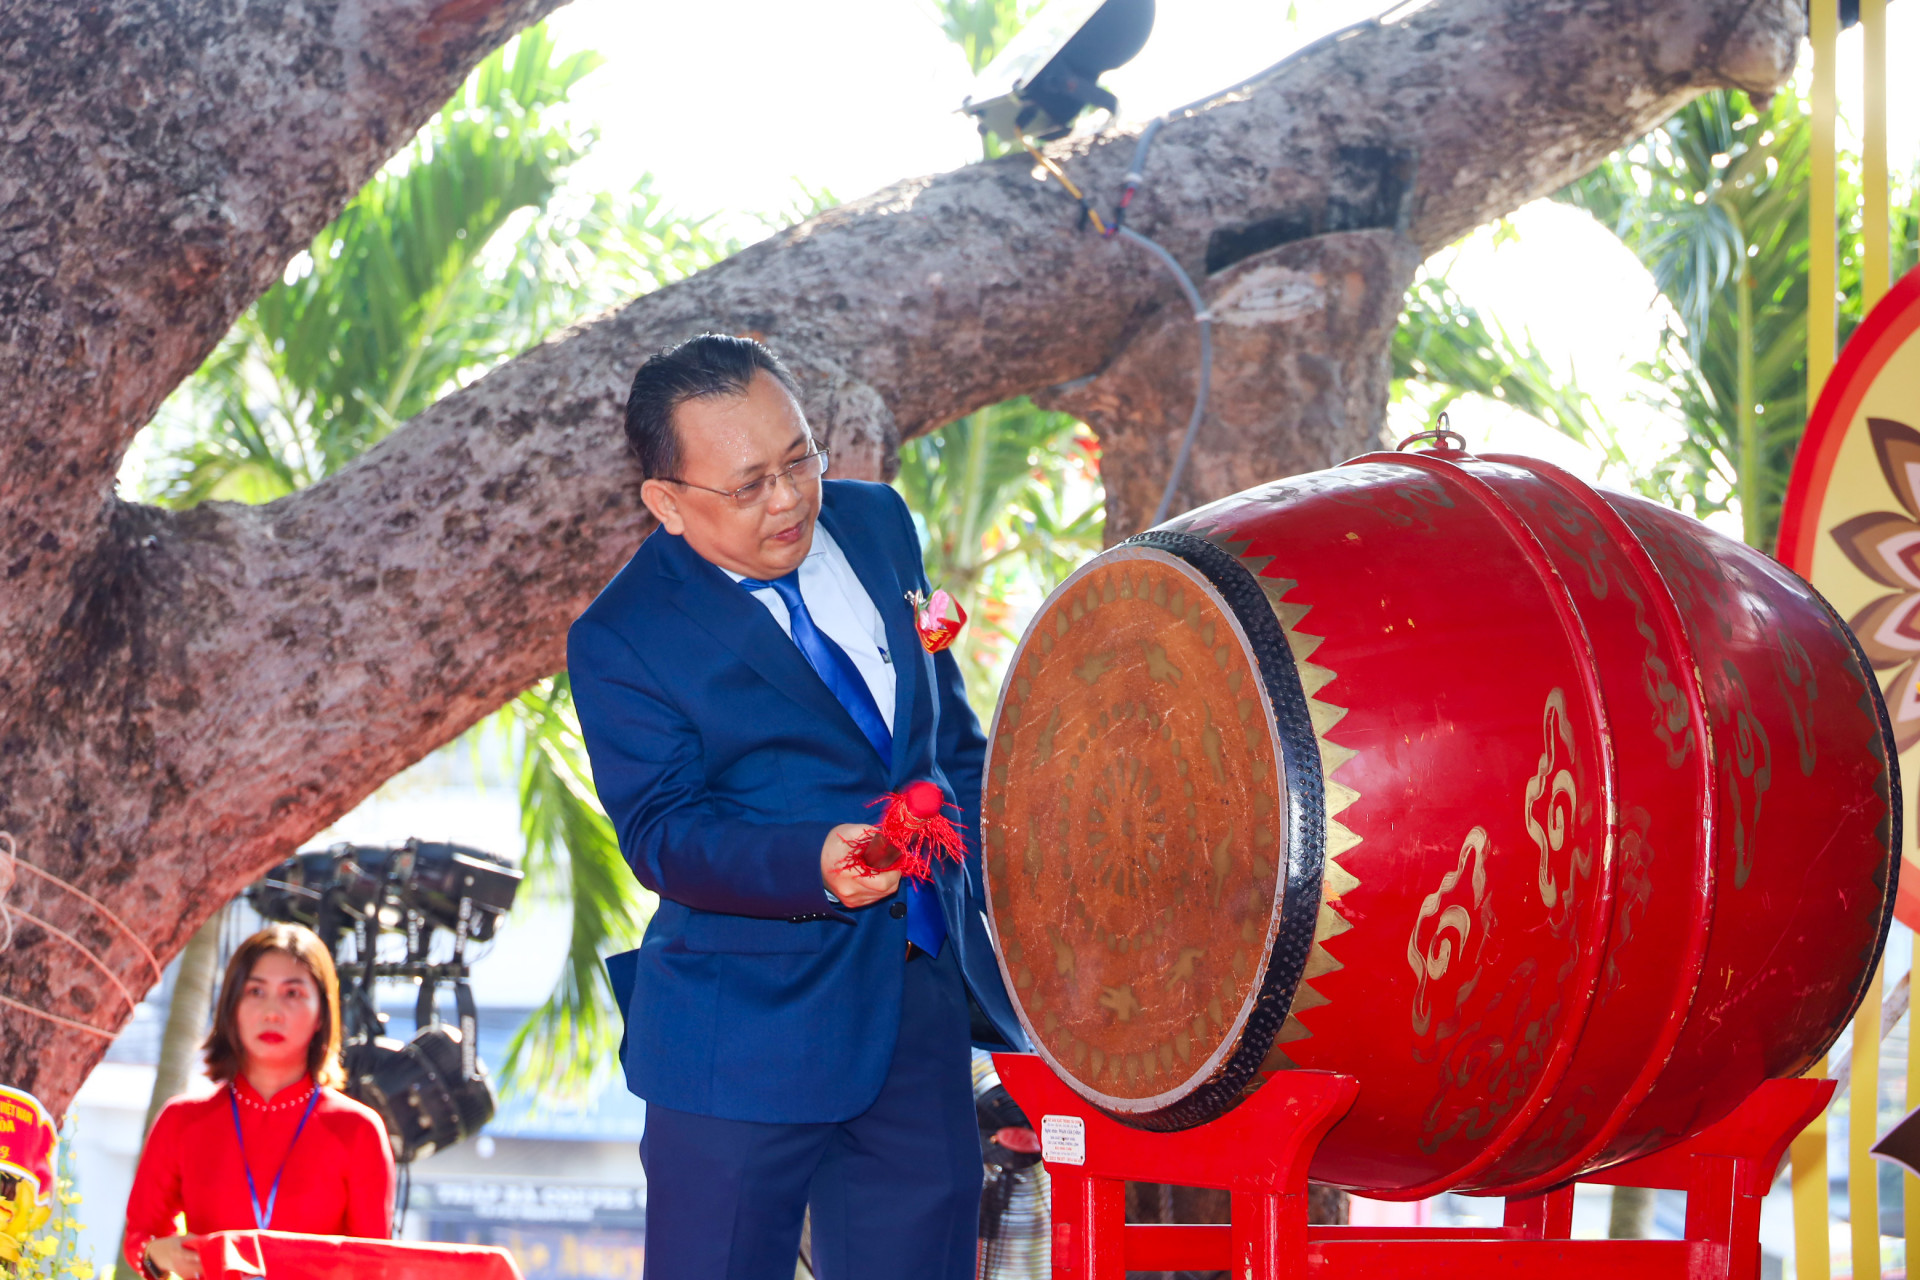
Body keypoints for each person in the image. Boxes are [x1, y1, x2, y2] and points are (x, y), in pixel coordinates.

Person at [570, 333, 1028, 1280]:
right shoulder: (623, 636)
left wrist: (1010, 902)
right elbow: (661, 832)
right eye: (747, 486)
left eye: (799, 460)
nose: (789, 501)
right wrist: (806, 865)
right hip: (742, 1037)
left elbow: (946, 744)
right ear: (666, 502)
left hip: (917, 1007)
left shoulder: (876, 523)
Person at [123, 924, 394, 1279]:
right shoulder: (182, 1120)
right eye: (255, 991)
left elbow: (375, 1265)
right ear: (231, 1006)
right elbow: (140, 1237)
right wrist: (160, 1253)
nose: (272, 1011)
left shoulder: (358, 1130)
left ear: (322, 1014)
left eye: (292, 993)